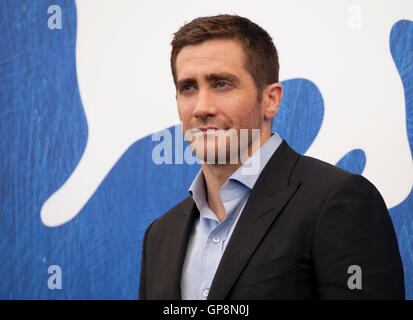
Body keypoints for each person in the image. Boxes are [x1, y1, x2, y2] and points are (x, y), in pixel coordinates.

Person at [139, 14, 405, 299]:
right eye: (188, 87)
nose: (201, 108)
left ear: (271, 100)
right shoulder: (160, 235)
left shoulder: (338, 201)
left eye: (221, 84)